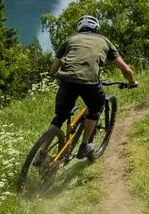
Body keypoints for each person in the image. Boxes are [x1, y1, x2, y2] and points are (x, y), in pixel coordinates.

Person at [52, 14, 137, 160]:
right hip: (89, 81)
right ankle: (84, 145)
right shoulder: (104, 41)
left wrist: (58, 76)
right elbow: (125, 69)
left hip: (66, 81)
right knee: (96, 108)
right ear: (96, 28)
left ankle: (41, 153)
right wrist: (132, 82)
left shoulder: (71, 39)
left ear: (79, 29)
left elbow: (54, 67)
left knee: (60, 117)